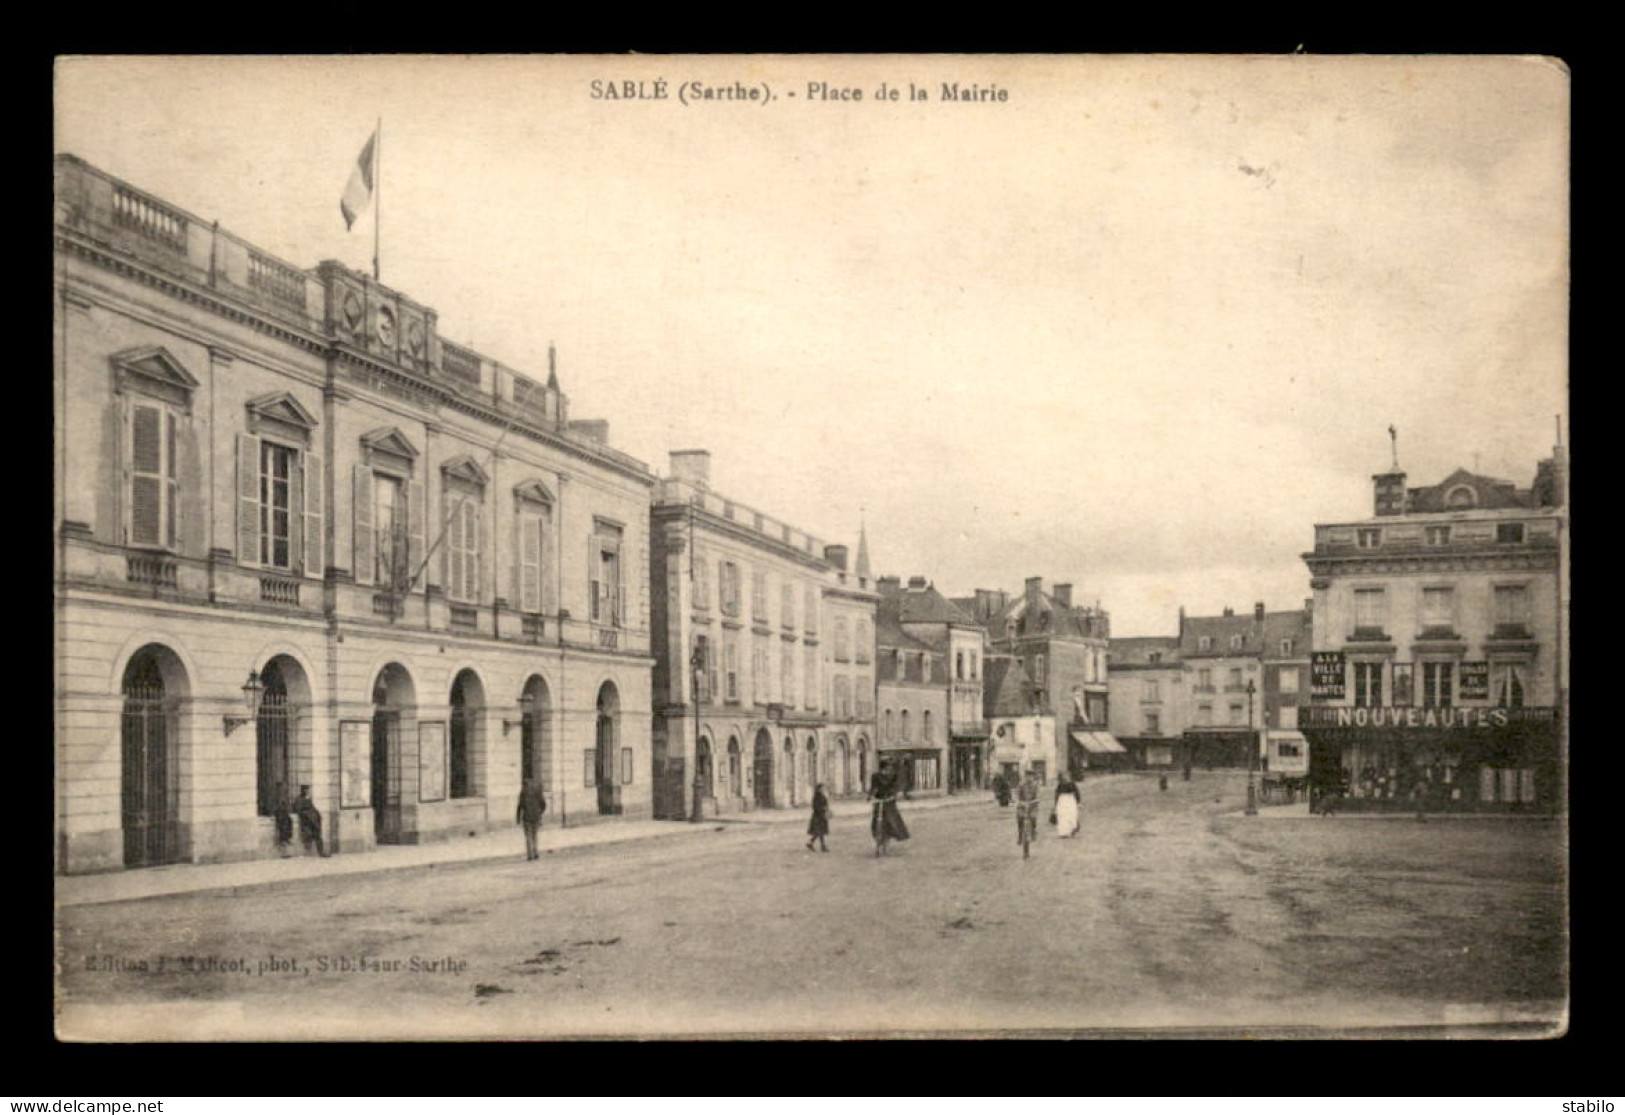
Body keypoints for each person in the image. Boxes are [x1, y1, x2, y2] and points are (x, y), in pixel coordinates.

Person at [869, 760, 910, 855]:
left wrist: (894, 794)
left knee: (891, 822)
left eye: (889, 768)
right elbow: (873, 787)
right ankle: (878, 843)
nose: (888, 770)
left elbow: (895, 787)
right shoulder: (875, 776)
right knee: (876, 823)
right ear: (882, 768)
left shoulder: (892, 776)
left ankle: (886, 844)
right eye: (886, 768)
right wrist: (871, 796)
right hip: (879, 801)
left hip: (889, 802)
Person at [517, 777, 547, 860]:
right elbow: (543, 803)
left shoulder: (523, 792)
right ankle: (536, 852)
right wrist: (540, 812)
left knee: (528, 835)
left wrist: (518, 818)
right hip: (536, 816)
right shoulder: (537, 791)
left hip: (527, 817)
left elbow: (520, 805)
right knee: (535, 835)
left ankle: (530, 855)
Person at [294, 785, 328, 857]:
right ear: (302, 790)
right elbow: (299, 810)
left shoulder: (308, 799)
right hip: (306, 821)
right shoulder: (299, 799)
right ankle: (309, 852)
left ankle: (321, 852)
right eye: (305, 790)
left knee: (318, 834)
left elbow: (313, 808)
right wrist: (308, 814)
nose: (307, 791)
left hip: (313, 821)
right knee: (309, 835)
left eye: (307, 790)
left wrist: (317, 814)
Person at [1015, 769, 1040, 852]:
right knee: (1019, 818)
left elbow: (1038, 796)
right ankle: (1019, 835)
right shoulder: (1021, 785)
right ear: (1025, 777)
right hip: (1022, 805)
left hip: (1032, 806)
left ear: (1033, 777)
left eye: (1030, 776)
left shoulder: (1035, 786)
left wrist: (1035, 801)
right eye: (1027, 776)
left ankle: (1033, 831)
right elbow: (1017, 795)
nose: (1029, 778)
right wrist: (1018, 801)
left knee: (1033, 817)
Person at [1054, 770, 1082, 838]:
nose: (1065, 777)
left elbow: (1077, 793)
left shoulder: (1072, 783)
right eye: (1064, 776)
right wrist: (1056, 803)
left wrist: (1078, 802)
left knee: (1071, 815)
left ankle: (1073, 829)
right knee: (1062, 816)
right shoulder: (1060, 784)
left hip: (1070, 800)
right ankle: (1063, 832)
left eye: (1066, 776)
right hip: (1062, 801)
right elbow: (1057, 794)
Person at [806, 782, 830, 852]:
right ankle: (821, 846)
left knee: (820, 832)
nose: (823, 789)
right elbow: (815, 806)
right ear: (819, 789)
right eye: (822, 788)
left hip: (821, 816)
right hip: (818, 816)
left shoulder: (822, 795)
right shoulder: (817, 796)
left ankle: (815, 844)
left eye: (824, 788)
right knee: (819, 832)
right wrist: (823, 809)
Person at [273, 782, 294, 857]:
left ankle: (285, 850)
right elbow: (275, 808)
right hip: (280, 816)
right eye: (282, 788)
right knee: (283, 831)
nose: (283, 790)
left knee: (288, 824)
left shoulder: (283, 798)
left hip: (283, 817)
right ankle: (284, 852)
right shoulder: (275, 797)